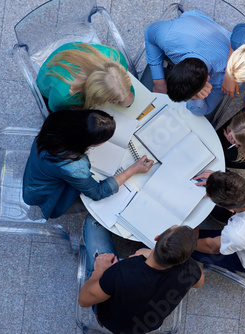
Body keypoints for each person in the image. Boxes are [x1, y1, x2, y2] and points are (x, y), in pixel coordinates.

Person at [78, 215, 204, 334]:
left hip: (111, 322)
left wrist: (99, 271)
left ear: (156, 238)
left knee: (93, 222)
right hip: (146, 326)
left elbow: (83, 301)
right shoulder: (191, 269)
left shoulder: (121, 271)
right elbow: (199, 283)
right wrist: (149, 253)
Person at [22, 110, 153, 219]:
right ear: (91, 144)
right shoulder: (74, 167)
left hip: (37, 169)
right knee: (96, 203)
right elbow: (98, 192)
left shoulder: (59, 118)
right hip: (47, 194)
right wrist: (133, 169)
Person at [144, 10, 231, 118]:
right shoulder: (169, 36)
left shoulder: (225, 76)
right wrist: (158, 82)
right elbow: (149, 33)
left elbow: (205, 109)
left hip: (227, 43)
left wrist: (195, 98)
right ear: (177, 65)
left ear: (207, 80)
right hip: (193, 24)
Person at [36, 42, 135, 112]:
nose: (115, 102)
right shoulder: (63, 95)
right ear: (94, 93)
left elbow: (125, 97)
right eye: (112, 100)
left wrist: (123, 96)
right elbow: (58, 113)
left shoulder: (116, 58)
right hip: (47, 81)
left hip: (71, 54)